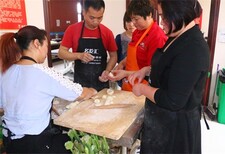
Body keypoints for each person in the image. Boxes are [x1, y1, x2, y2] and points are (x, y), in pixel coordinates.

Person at [128, 0, 210, 153]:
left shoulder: (194, 48)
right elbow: (170, 67)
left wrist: (143, 89)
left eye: (164, 17)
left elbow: (173, 101)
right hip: (161, 123)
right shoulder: (177, 35)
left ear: (178, 13)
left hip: (175, 132)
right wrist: (146, 70)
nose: (161, 23)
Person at [0, 25, 97, 153]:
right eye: (46, 46)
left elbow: (3, 107)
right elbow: (80, 93)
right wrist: (93, 91)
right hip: (36, 143)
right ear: (36, 44)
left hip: (11, 142)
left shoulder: (5, 71)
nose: (47, 51)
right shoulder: (43, 73)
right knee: (76, 142)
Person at [58, 0, 117, 91]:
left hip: (101, 83)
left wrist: (107, 71)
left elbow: (113, 56)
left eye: (100, 18)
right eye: (92, 18)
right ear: (84, 12)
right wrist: (78, 55)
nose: (96, 22)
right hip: (80, 84)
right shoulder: (72, 30)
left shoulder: (107, 32)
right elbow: (61, 53)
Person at [108, 0, 167, 91]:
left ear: (149, 15)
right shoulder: (137, 32)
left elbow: (153, 71)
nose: (133, 23)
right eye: (132, 18)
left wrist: (125, 73)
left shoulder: (157, 36)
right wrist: (122, 63)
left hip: (144, 87)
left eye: (136, 19)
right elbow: (134, 56)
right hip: (129, 84)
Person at [115, 11, 136, 87]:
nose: (131, 24)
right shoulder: (119, 38)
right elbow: (116, 57)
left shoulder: (143, 38)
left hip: (137, 74)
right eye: (128, 21)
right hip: (123, 74)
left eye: (133, 21)